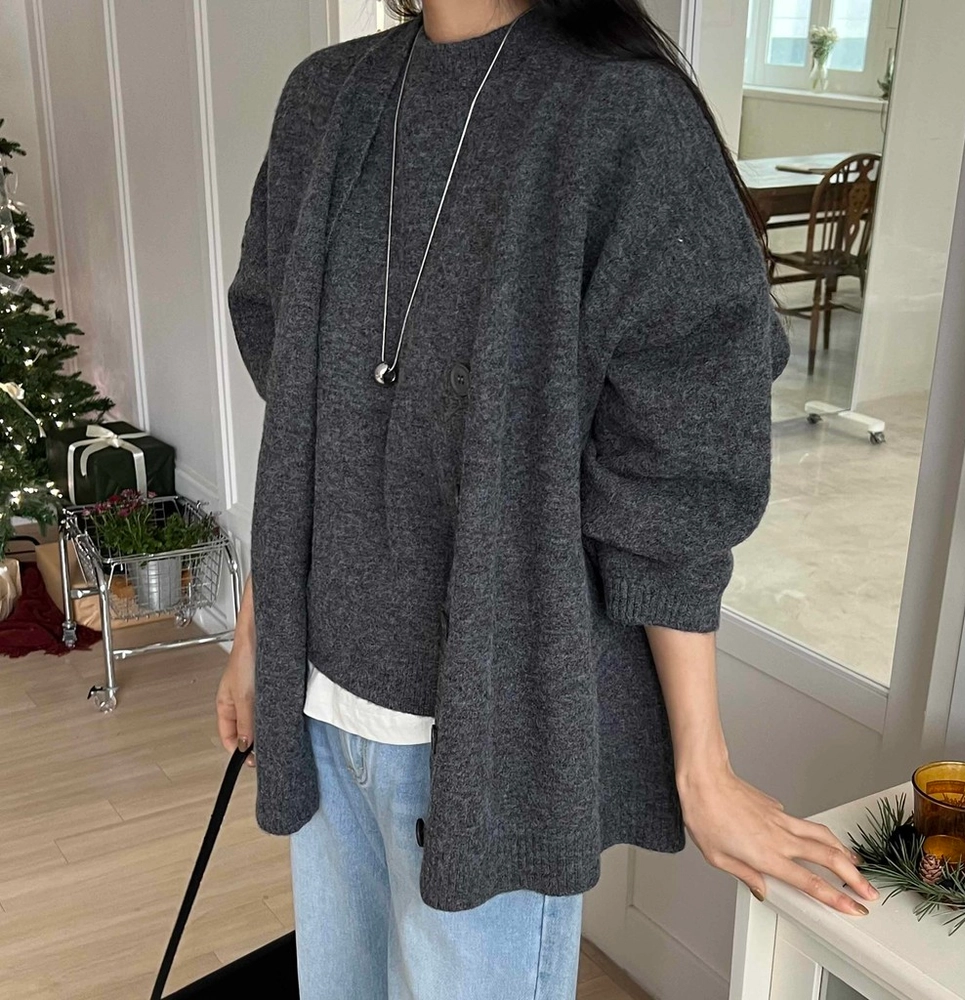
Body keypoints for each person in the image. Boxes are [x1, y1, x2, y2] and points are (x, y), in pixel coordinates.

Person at [217, 1, 880, 997]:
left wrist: (703, 766)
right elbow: (304, 424)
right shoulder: (327, 97)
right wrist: (256, 636)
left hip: (495, 739)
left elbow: (680, 454)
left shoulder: (622, 116)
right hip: (319, 710)